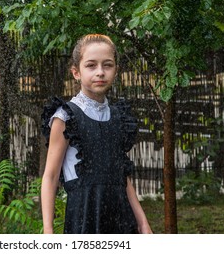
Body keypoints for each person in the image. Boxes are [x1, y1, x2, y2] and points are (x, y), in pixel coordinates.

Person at [41, 34, 152, 234]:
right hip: (84, 217)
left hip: (122, 218)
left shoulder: (119, 117)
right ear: (76, 72)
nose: (100, 72)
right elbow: (50, 176)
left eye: (107, 65)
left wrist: (142, 223)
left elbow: (121, 176)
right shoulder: (66, 117)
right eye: (91, 65)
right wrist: (48, 232)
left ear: (116, 71)